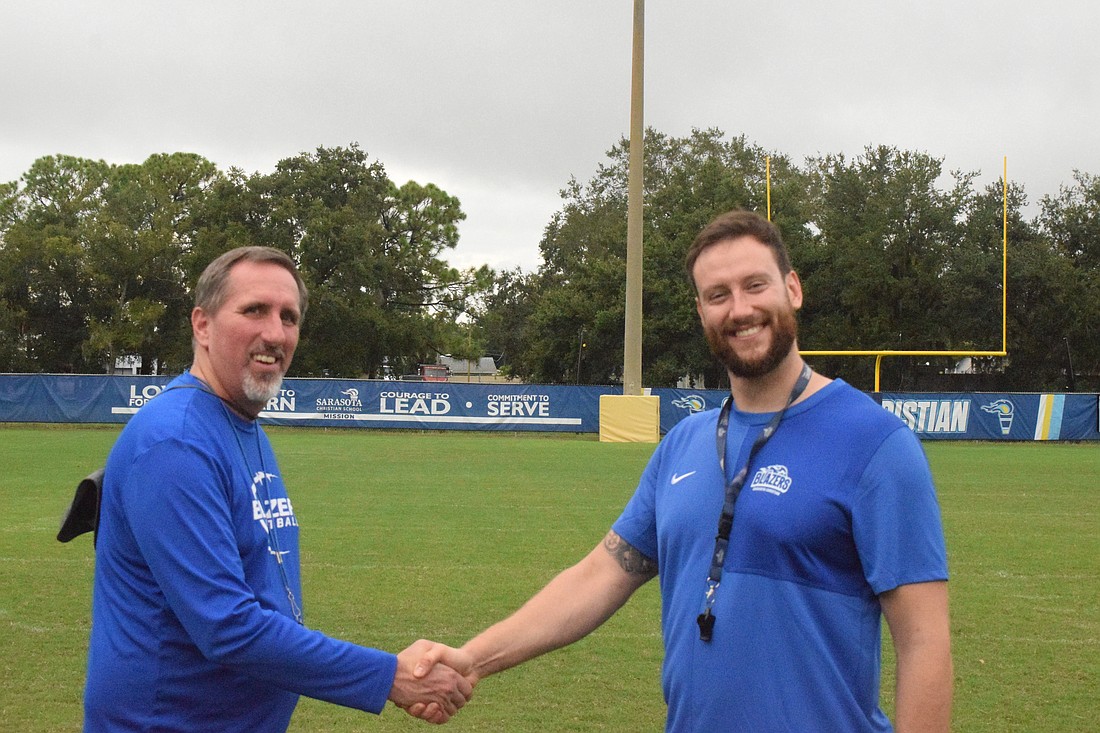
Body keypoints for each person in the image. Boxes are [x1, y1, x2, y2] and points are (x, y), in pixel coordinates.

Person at [415, 209, 953, 732]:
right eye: (718, 295)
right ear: (701, 312)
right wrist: (473, 659)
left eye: (755, 285)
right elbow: (600, 575)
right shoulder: (684, 444)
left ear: (793, 289)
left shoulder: (876, 444)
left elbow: (923, 642)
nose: (739, 309)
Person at [84, 246, 471, 731]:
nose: (275, 333)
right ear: (202, 325)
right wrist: (389, 676)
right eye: (254, 310)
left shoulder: (240, 425)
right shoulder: (176, 440)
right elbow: (226, 626)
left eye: (289, 317)